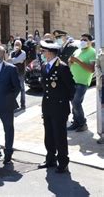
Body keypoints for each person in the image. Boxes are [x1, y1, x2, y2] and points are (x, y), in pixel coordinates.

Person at [38, 40, 76, 174]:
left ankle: (63, 162)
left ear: (50, 52)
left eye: (43, 51)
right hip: (47, 106)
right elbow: (45, 87)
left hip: (59, 107)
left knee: (59, 136)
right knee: (49, 135)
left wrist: (63, 101)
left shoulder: (62, 67)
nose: (42, 53)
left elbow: (71, 88)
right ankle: (50, 159)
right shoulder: (44, 66)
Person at [68, 33, 96, 132]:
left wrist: (78, 61)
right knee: (74, 102)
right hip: (73, 80)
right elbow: (71, 63)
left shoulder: (92, 52)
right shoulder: (77, 50)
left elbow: (91, 69)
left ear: (90, 42)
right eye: (81, 40)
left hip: (82, 81)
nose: (82, 41)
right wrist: (70, 62)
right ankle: (76, 122)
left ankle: (83, 123)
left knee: (76, 102)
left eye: (85, 40)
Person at [8, 40, 27, 110]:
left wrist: (12, 60)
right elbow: (9, 61)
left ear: (21, 46)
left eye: (18, 44)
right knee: (13, 89)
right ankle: (13, 104)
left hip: (20, 73)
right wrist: (13, 60)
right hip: (13, 73)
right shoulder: (12, 52)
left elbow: (18, 60)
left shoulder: (23, 53)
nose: (16, 45)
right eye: (16, 44)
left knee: (22, 89)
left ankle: (23, 104)